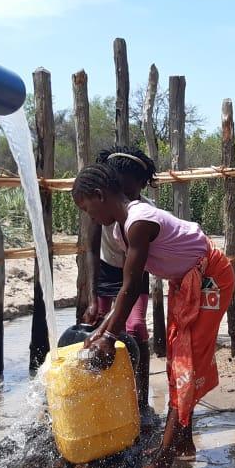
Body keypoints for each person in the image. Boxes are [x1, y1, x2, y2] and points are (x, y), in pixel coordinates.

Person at [73, 163, 235, 468]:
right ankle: (182, 441)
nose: (89, 216)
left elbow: (132, 288)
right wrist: (102, 331)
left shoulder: (138, 222)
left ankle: (163, 461)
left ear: (99, 196)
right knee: (177, 362)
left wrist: (109, 334)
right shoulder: (121, 230)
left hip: (209, 280)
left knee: (185, 365)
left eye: (86, 208)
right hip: (185, 282)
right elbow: (124, 289)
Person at [83, 146, 156, 417]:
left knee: (135, 327)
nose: (125, 199)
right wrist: (92, 297)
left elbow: (134, 278)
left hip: (135, 273)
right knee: (96, 326)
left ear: (142, 186)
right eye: (121, 192)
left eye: (131, 193)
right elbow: (90, 250)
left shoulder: (145, 214)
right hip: (106, 270)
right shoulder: (99, 204)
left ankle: (141, 401)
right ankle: (100, 400)